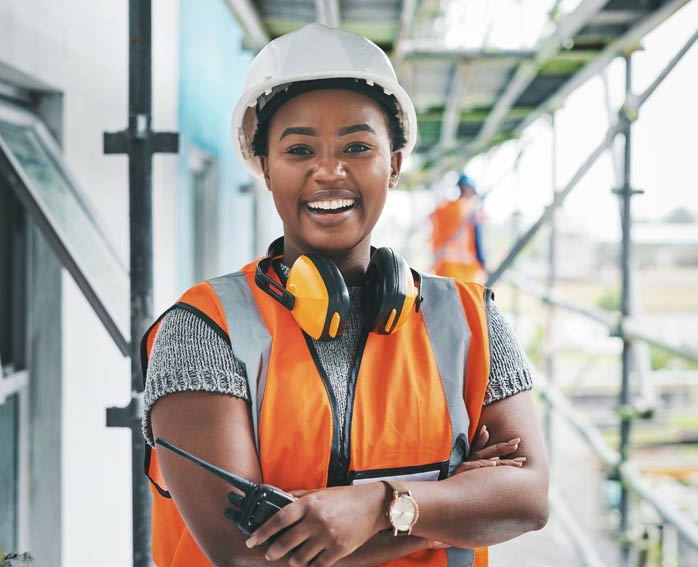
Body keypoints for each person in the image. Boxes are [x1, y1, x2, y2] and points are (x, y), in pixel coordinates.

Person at [143, 23, 547, 567]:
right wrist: (448, 502)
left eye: (357, 146)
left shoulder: (470, 320)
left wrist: (377, 507)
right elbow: (247, 557)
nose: (329, 171)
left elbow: (528, 499)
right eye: (299, 149)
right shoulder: (202, 328)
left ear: (395, 165)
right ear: (265, 168)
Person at [430, 174, 487, 284]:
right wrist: (482, 262)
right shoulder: (471, 211)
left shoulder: (443, 209)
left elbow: (435, 235)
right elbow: (477, 240)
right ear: (467, 189)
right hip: (466, 268)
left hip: (443, 265)